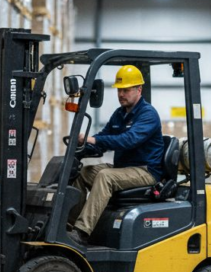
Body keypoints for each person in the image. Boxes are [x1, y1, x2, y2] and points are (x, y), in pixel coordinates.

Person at [69, 65, 165, 246]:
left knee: (105, 176)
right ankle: (70, 224)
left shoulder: (148, 115)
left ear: (139, 89)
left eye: (126, 90)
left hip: (145, 171)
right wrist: (86, 144)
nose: (121, 94)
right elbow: (104, 137)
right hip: (124, 169)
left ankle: (82, 232)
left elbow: (128, 140)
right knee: (83, 172)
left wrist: (95, 140)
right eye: (119, 90)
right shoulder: (120, 114)